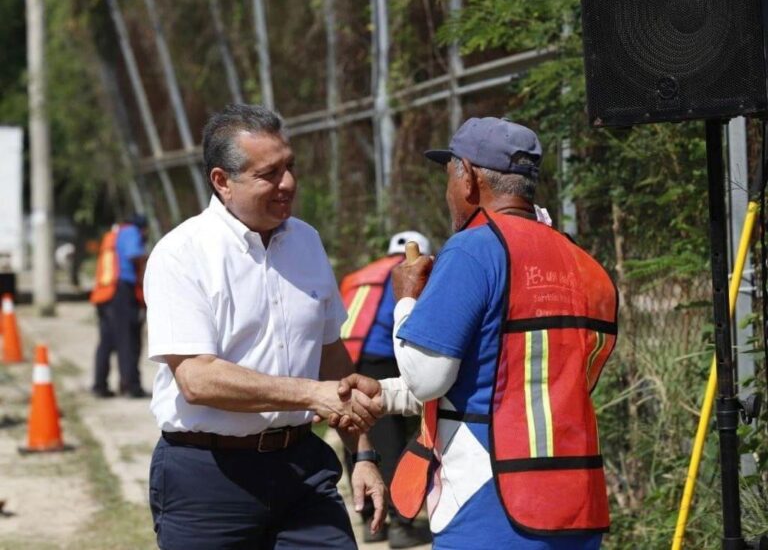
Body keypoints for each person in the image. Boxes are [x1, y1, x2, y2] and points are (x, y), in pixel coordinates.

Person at [341, 117, 619, 549]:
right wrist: (386, 394)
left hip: (490, 501)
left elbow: (427, 377)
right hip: (576, 498)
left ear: (466, 176)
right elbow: (512, 381)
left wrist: (407, 300)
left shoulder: (473, 249)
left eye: (448, 175)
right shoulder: (581, 262)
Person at [144, 103, 386, 550]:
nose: (287, 184)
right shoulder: (182, 254)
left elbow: (332, 356)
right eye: (269, 174)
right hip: (209, 478)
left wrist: (364, 454)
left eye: (290, 167)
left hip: (302, 470)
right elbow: (197, 378)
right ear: (222, 181)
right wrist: (311, 393)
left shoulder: (307, 241)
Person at [339, 231, 433, 548]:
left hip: (346, 357)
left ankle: (368, 521)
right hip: (383, 358)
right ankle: (400, 524)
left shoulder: (362, 275)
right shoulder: (409, 272)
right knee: (391, 439)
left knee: (359, 433)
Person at [90, 214, 149, 398]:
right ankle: (130, 386)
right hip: (122, 291)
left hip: (104, 293)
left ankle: (100, 385)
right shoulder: (131, 232)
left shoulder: (113, 235)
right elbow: (133, 255)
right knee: (128, 340)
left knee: (107, 341)